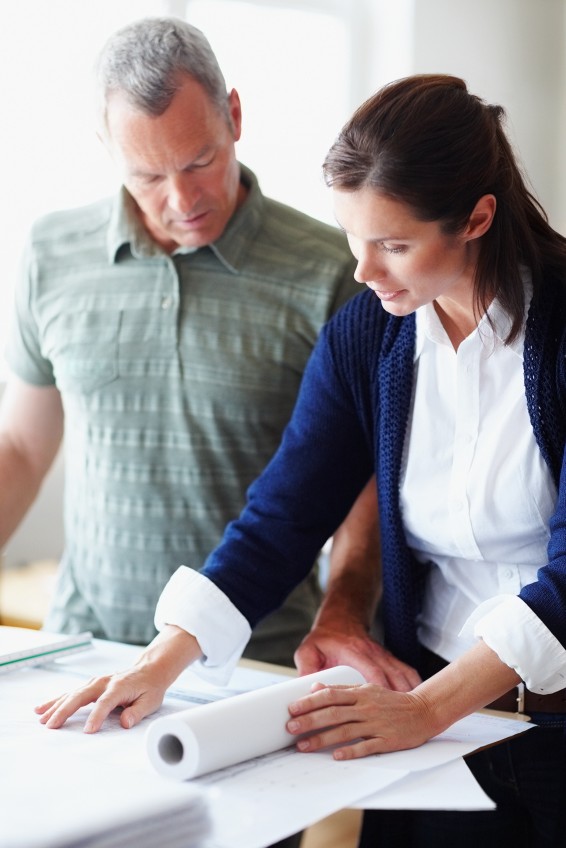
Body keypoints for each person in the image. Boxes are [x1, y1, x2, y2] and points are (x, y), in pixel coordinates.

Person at [37, 73, 566, 845]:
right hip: (436, 733)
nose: (363, 271)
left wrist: (426, 710)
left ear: (477, 217)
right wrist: (163, 659)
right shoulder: (371, 335)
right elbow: (282, 516)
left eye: (393, 244)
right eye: (354, 239)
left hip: (528, 724)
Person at [0, 13, 395, 677]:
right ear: (105, 145)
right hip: (84, 652)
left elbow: (368, 478)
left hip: (255, 664)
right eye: (147, 176)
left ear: (233, 115)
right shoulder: (51, 252)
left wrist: (344, 609)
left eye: (200, 161)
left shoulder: (334, 270)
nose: (181, 199)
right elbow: (20, 448)